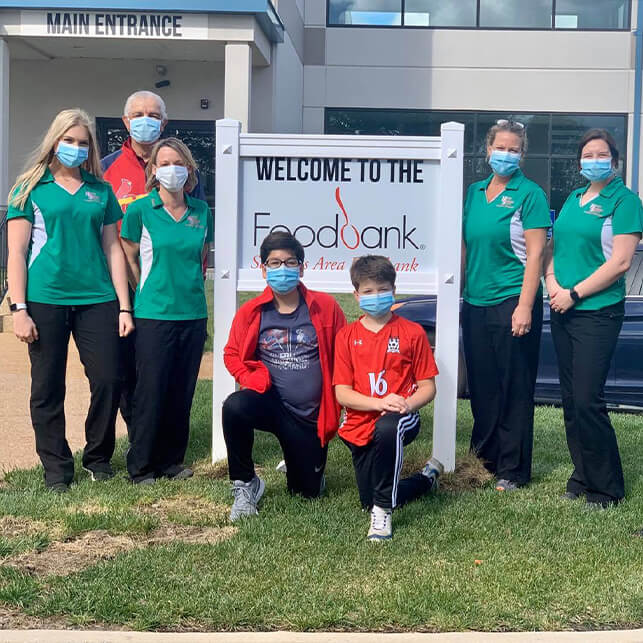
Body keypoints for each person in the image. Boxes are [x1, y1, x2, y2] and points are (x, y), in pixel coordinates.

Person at [6, 108, 134, 493]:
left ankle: (98, 458)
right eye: (69, 140)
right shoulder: (29, 188)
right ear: (54, 141)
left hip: (98, 298)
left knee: (110, 379)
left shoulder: (101, 191)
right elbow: (16, 253)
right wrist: (19, 309)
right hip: (45, 299)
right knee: (47, 387)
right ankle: (57, 469)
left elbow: (114, 249)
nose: (76, 148)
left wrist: (124, 306)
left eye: (83, 142)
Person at [544, 128, 642, 508]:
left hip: (596, 312)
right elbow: (554, 245)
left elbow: (620, 262)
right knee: (570, 399)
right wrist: (551, 281)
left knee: (588, 399)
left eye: (602, 154)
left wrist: (574, 294)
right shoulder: (572, 197)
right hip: (561, 305)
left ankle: (607, 487)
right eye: (588, 155)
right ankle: (582, 475)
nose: (594, 160)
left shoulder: (625, 201)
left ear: (614, 161)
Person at [102, 90, 206, 438]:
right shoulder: (106, 168)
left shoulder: (178, 166)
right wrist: (131, 287)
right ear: (126, 122)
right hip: (115, 287)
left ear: (163, 122)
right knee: (119, 372)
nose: (146, 120)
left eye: (153, 114)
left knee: (163, 373)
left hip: (168, 295)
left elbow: (198, 236)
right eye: (138, 114)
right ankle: (134, 440)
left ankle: (159, 442)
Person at [222, 231, 346, 521]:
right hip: (271, 403)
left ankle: (301, 465)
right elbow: (231, 353)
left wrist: (343, 402)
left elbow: (344, 355)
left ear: (302, 267)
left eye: (290, 262)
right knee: (234, 407)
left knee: (307, 494)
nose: (282, 269)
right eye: (274, 263)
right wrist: (249, 379)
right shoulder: (252, 312)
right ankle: (246, 483)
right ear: (263, 268)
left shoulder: (325, 308)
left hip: (309, 418)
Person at [461, 119, 551, 492]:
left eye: (514, 149)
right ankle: (483, 461)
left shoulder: (530, 194)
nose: (506, 154)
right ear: (487, 150)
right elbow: (465, 245)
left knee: (513, 387)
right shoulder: (473, 191)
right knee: (482, 388)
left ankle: (513, 470)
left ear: (522, 154)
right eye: (501, 147)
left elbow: (536, 255)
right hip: (476, 302)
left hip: (513, 299)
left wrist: (526, 306)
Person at [120, 137, 212, 485]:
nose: (172, 169)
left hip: (192, 313)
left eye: (179, 163)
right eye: (164, 163)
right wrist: (145, 286)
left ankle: (172, 461)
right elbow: (129, 254)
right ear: (154, 170)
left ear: (189, 170)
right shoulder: (140, 210)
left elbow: (202, 256)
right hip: (153, 313)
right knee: (151, 390)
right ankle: (141, 466)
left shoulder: (202, 212)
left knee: (181, 390)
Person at [333, 255, 442, 542]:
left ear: (393, 290)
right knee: (366, 498)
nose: (376, 296)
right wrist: (378, 403)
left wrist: (407, 404)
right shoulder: (346, 336)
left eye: (383, 289)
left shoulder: (412, 332)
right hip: (360, 421)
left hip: (401, 416)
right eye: (368, 291)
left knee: (388, 427)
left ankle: (382, 514)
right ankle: (425, 479)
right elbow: (341, 393)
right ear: (357, 295)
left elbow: (427, 387)